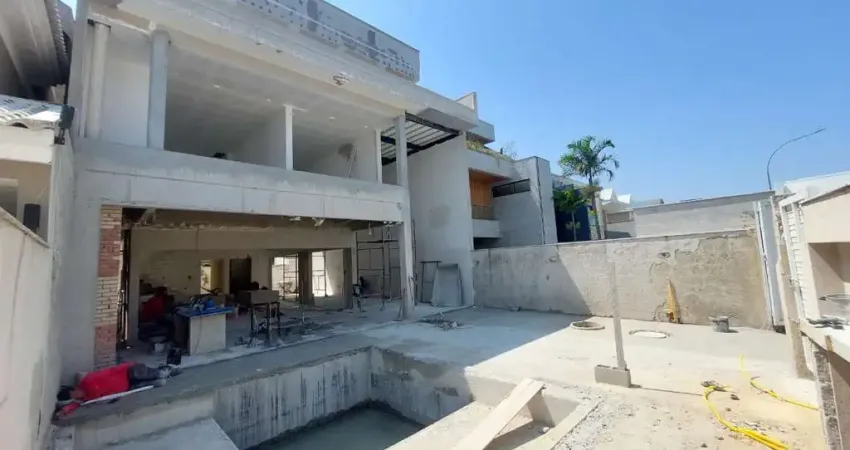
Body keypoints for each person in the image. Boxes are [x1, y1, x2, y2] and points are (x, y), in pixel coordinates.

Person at [56, 362, 181, 417]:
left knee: (159, 375)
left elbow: (108, 371)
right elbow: (74, 405)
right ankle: (165, 373)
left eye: (74, 393)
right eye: (74, 397)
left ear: (74, 388)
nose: (77, 395)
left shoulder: (87, 381)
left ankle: (168, 369)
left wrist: (128, 367)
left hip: (128, 372)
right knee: (160, 383)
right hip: (127, 388)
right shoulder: (85, 399)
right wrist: (63, 411)